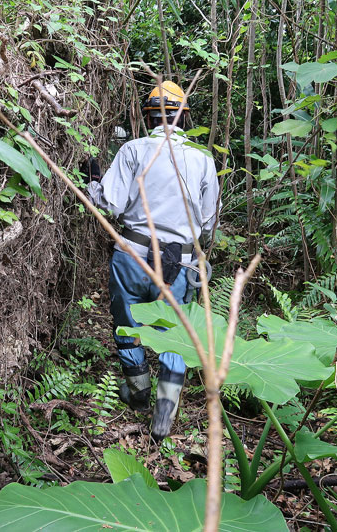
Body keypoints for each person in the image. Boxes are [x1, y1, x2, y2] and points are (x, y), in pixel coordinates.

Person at [85, 80, 220, 442]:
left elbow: (109, 204)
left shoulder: (133, 150)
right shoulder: (203, 161)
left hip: (132, 251)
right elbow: (207, 223)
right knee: (173, 334)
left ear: (149, 116)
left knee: (127, 321)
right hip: (181, 261)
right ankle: (164, 412)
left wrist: (94, 181)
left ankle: (138, 390)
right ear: (183, 117)